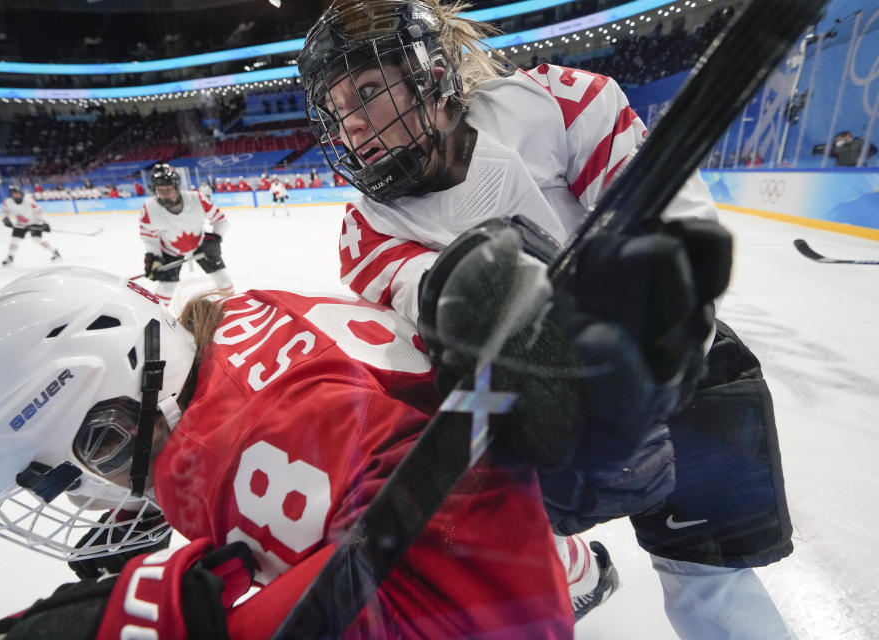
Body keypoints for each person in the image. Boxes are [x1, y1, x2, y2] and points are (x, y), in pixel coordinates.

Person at [297, 0, 794, 637]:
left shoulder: (560, 104)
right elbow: (452, 321)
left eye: (367, 90)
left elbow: (677, 238)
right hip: (531, 411)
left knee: (711, 587)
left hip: (669, 369)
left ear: (431, 72)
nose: (352, 124)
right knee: (491, 600)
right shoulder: (367, 230)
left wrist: (644, 344)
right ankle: (569, 567)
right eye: (337, 107)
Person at [0, 257, 705, 639]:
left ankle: (570, 566)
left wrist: (198, 624)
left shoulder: (233, 461)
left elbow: (496, 621)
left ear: (113, 413)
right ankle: (574, 562)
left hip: (525, 512)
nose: (86, 499)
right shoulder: (236, 314)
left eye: (70, 471)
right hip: (516, 472)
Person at [140, 163, 234, 307]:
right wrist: (154, 256)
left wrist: (215, 239)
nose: (165, 193)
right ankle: (156, 317)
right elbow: (149, 236)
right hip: (170, 250)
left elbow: (220, 220)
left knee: (224, 280)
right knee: (166, 288)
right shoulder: (149, 208)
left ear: (176, 186)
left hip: (200, 244)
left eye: (168, 188)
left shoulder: (197, 199)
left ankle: (231, 307)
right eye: (160, 189)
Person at [0, 184, 62, 266]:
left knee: (36, 239)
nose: (15, 195)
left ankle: (54, 252)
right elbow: (5, 211)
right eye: (13, 193)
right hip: (20, 224)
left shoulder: (29, 201)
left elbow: (39, 211)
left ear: (20, 193)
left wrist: (45, 222)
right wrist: (6, 218)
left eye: (16, 193)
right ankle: (10, 257)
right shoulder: (7, 202)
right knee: (15, 239)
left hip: (34, 222)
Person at [812, 130, 877, 167]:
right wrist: (832, 144)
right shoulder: (836, 148)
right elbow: (817, 149)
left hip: (857, 172)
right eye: (836, 141)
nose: (837, 142)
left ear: (847, 137)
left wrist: (862, 156)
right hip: (841, 173)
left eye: (838, 139)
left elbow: (873, 150)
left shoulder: (857, 143)